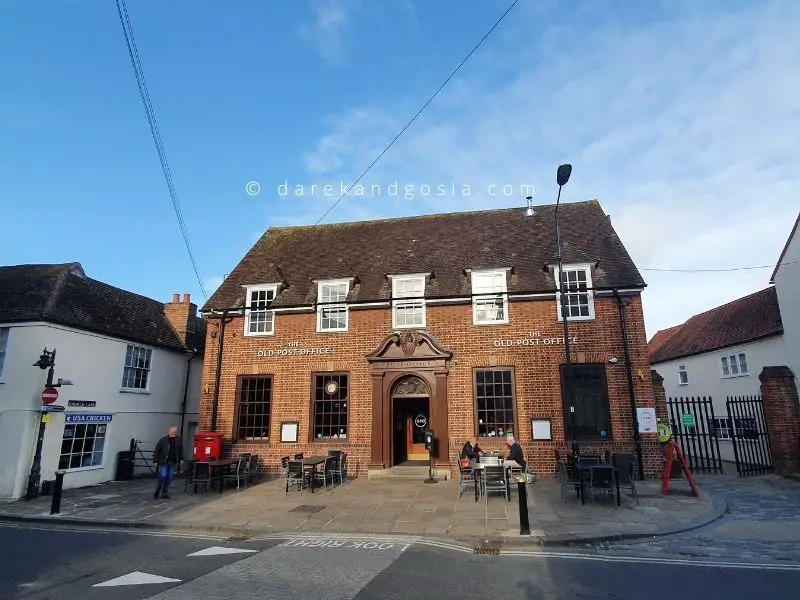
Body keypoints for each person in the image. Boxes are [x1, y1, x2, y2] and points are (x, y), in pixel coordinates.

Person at [153, 426, 183, 499]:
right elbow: (157, 450)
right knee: (163, 476)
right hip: (164, 462)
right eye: (172, 431)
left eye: (175, 431)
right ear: (169, 432)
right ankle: (157, 490)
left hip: (172, 462)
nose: (174, 432)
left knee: (169, 477)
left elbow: (180, 450)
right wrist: (155, 461)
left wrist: (181, 458)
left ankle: (164, 493)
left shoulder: (178, 440)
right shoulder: (163, 440)